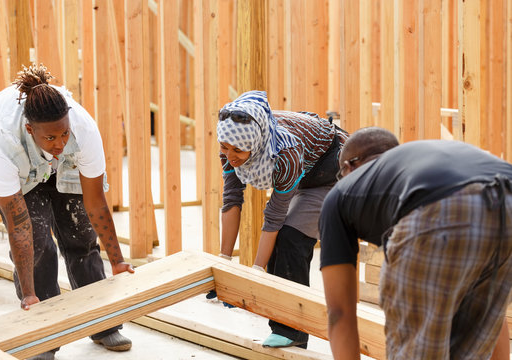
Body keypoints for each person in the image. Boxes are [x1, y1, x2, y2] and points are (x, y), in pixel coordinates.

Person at [0, 64, 135, 360]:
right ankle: (42, 335)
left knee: (81, 236)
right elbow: (19, 229)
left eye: (64, 134)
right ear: (30, 129)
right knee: (37, 243)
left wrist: (118, 261)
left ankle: (103, 324)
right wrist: (29, 292)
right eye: (51, 138)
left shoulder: (83, 130)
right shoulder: (3, 145)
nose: (60, 143)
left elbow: (96, 202)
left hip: (62, 168)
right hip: (19, 169)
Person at [319, 127, 512, 359]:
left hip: (442, 206)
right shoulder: (412, 165)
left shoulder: (341, 194)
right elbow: (494, 319)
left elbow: (340, 313)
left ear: (350, 166)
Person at [215, 90, 349, 349]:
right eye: (224, 147)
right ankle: (283, 325)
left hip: (333, 173)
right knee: (278, 244)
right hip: (306, 169)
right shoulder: (233, 141)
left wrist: (255, 274)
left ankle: (294, 332)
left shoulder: (285, 153)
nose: (230, 155)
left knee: (290, 238)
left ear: (255, 144)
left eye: (238, 150)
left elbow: (274, 218)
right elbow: (232, 201)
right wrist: (223, 264)